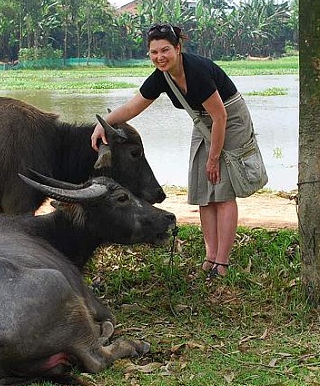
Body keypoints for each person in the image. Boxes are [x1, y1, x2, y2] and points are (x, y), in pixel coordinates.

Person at [90, 23, 260, 278]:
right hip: (203, 121)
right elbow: (133, 107)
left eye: (165, 50)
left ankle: (222, 264)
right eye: (154, 52)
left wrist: (214, 158)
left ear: (178, 48)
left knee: (222, 190)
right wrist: (102, 125)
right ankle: (210, 257)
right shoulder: (162, 77)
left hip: (229, 119)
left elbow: (221, 116)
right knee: (203, 189)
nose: (160, 57)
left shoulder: (197, 72)